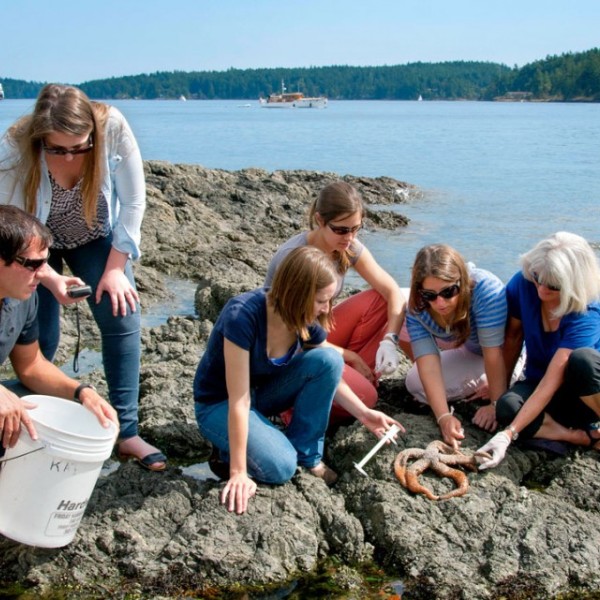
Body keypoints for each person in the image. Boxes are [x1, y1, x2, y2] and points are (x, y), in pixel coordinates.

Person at [0, 84, 165, 470]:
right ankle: (40, 428)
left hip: (93, 234)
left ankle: (127, 433)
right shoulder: (12, 151)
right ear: (40, 138)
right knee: (42, 340)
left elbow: (134, 201)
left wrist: (114, 270)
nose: (71, 156)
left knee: (122, 311)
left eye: (81, 146)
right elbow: (8, 233)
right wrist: (48, 277)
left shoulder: (112, 129)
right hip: (35, 245)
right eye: (58, 149)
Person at [195, 247, 403, 514]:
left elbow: (327, 369)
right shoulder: (242, 316)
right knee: (281, 467)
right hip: (219, 403)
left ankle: (307, 453)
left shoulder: (305, 319)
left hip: (263, 395)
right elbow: (239, 399)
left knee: (329, 359)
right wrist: (238, 472)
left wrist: (364, 414)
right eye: (320, 301)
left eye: (329, 300)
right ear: (296, 294)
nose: (326, 309)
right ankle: (230, 453)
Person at [264, 181, 406, 422]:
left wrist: (390, 341)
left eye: (356, 229)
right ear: (320, 220)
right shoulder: (294, 258)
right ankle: (293, 405)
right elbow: (290, 335)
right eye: (341, 230)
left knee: (380, 300)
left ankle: (355, 378)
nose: (349, 237)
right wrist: (350, 355)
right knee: (367, 398)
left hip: (319, 332)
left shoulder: (347, 247)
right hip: (293, 349)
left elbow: (391, 291)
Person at [0, 205, 118, 454]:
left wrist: (81, 392)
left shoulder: (23, 298)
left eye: (45, 263)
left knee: (42, 407)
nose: (42, 274)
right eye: (33, 264)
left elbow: (31, 366)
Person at [477, 232, 600, 469]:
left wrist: (509, 434)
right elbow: (512, 339)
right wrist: (496, 399)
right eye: (537, 277)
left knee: (582, 360)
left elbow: (555, 378)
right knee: (507, 407)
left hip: (585, 391)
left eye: (553, 284)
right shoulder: (524, 284)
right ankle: (578, 437)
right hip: (540, 381)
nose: (542, 289)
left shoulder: (587, 311)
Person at [400, 244, 521, 449]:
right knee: (414, 382)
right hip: (472, 351)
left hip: (510, 352)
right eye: (430, 295)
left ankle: (513, 381)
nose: (440, 303)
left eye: (448, 292)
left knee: (500, 397)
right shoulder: (417, 306)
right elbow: (427, 363)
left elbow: (495, 353)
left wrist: (495, 404)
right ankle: (480, 382)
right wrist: (443, 417)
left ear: (462, 282)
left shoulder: (486, 289)